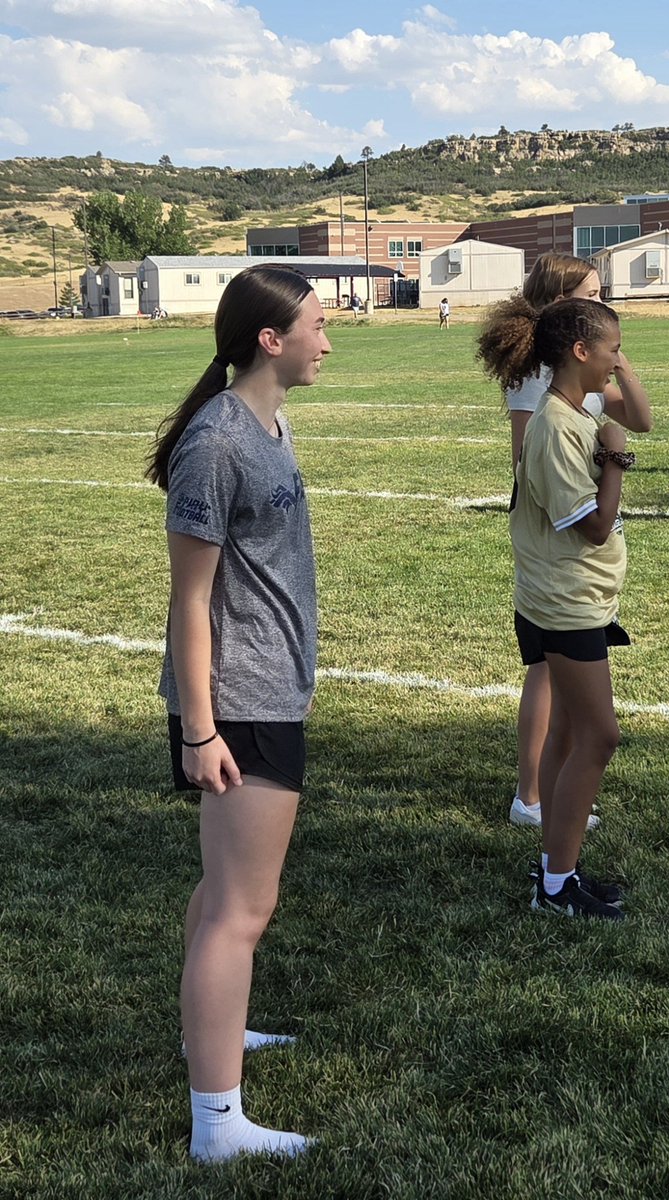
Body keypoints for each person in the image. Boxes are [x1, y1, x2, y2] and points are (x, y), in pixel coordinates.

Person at [146, 264, 329, 1163]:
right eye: (317, 328)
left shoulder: (267, 418)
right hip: (241, 706)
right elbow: (190, 602)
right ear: (271, 339)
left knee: (223, 895)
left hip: (265, 690)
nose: (327, 341)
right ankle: (218, 1124)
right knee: (240, 912)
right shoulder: (217, 443)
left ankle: (209, 1035)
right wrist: (199, 728)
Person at [477, 251, 651, 832]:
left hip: (575, 555)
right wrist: (612, 463)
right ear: (561, 307)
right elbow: (535, 465)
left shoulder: (580, 380)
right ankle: (532, 796)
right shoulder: (542, 391)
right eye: (592, 294)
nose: (602, 302)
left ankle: (547, 813)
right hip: (560, 559)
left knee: (569, 705)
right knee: (551, 682)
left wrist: (620, 365)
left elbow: (640, 418)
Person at [485, 296, 633, 920]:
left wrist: (605, 446)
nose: (616, 362)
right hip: (565, 604)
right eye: (611, 349)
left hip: (570, 597)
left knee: (569, 735)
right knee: (599, 737)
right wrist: (618, 458)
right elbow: (594, 527)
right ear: (580, 351)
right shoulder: (552, 426)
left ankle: (555, 870)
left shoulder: (570, 416)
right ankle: (556, 885)